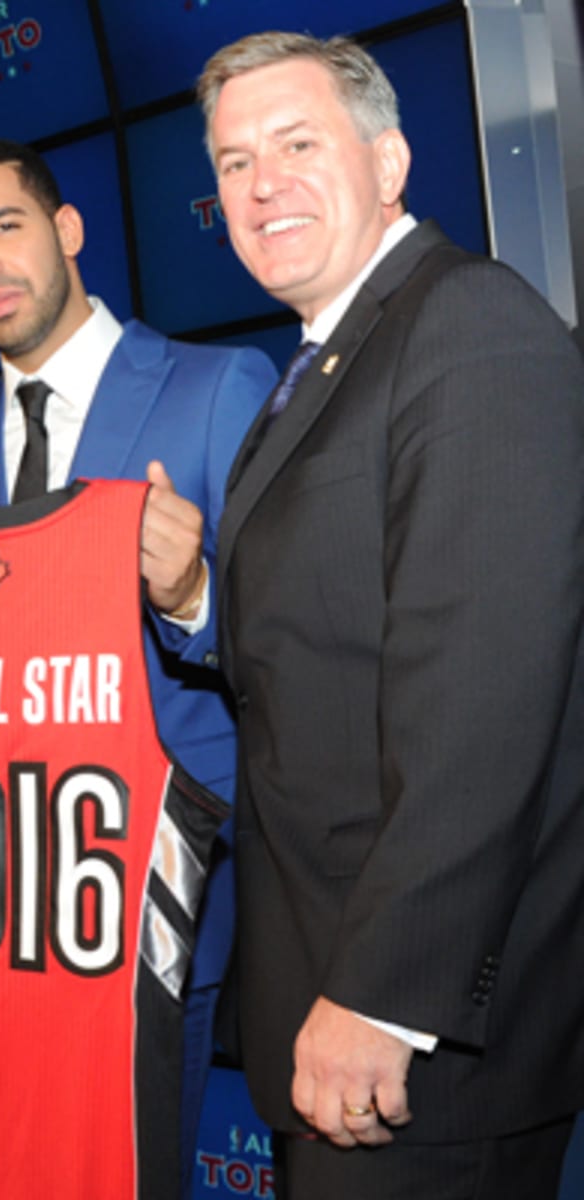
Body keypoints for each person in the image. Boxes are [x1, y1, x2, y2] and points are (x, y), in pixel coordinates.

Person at [0, 138, 277, 1194]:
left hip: (164, 899)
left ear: (67, 231)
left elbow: (302, 647)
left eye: (2, 227)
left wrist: (192, 596)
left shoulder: (216, 388)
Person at [196, 31, 584, 1198]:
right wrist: (191, 596)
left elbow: (486, 701)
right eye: (232, 163)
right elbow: (324, 643)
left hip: (415, 1044)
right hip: (333, 998)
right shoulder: (331, 354)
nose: (261, 184)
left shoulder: (468, 326)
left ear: (390, 161)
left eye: (296, 145)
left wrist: (382, 998)